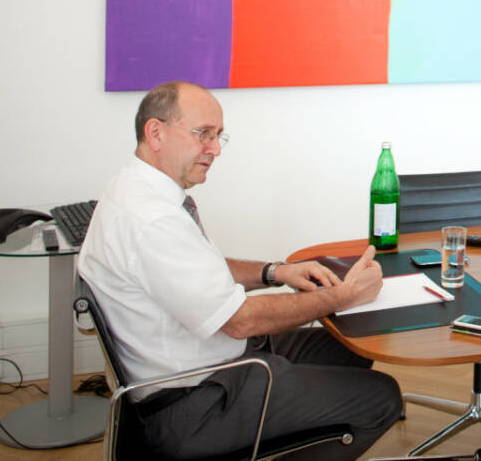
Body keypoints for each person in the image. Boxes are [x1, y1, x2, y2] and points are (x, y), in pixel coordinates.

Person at [77, 81, 402, 459]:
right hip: (192, 403)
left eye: (218, 137)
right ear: (156, 132)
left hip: (205, 363)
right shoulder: (151, 219)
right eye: (203, 134)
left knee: (348, 346)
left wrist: (276, 272)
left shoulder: (137, 189)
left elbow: (201, 269)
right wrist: (341, 296)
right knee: (382, 397)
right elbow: (239, 321)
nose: (214, 149)